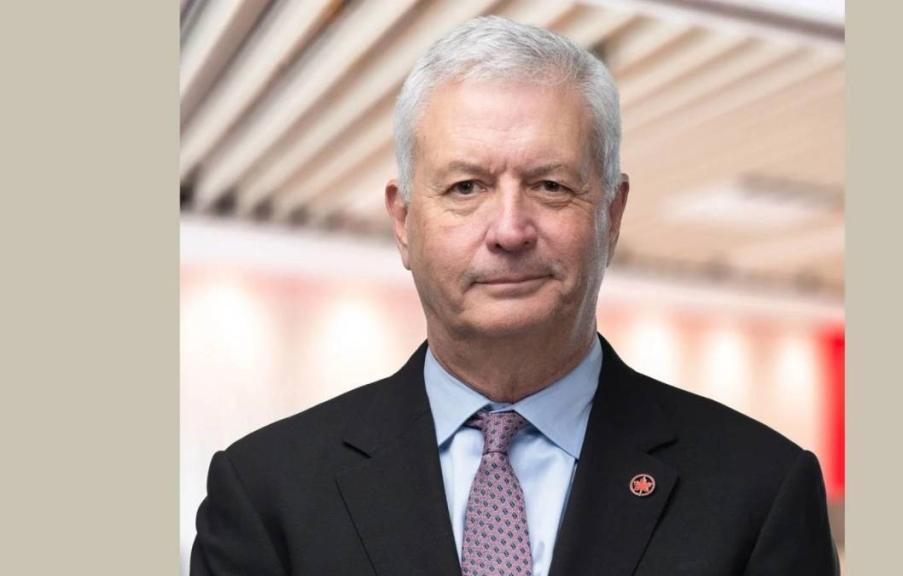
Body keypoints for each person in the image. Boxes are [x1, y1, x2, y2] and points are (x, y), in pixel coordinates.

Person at [190, 16, 838, 576]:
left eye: (551, 185)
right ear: (404, 222)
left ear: (611, 215)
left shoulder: (759, 491)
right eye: (466, 187)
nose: (509, 230)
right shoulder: (265, 494)